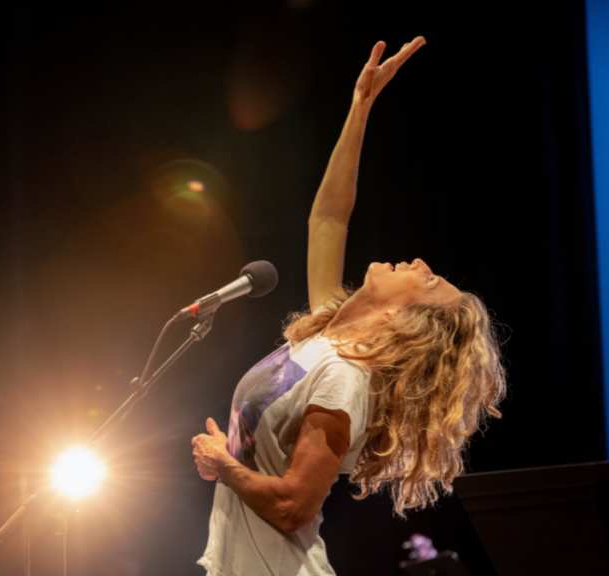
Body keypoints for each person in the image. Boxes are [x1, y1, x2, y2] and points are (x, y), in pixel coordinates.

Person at [191, 37, 506, 576]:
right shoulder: (324, 341)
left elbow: (293, 507)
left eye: (426, 280)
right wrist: (361, 106)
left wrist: (225, 467)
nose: (418, 262)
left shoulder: (344, 376)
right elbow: (328, 220)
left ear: (404, 318)